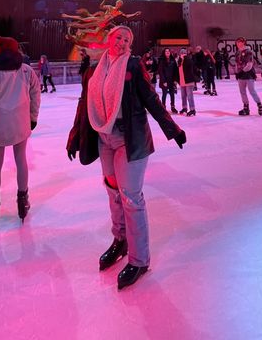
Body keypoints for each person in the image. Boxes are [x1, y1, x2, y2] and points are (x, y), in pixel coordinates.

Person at [66, 25, 186, 290]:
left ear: (130, 44)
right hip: (104, 138)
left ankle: (140, 259)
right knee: (112, 190)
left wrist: (172, 129)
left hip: (129, 139)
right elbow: (84, 103)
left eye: (126, 39)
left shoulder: (132, 66)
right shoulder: (95, 69)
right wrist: (75, 136)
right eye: (118, 37)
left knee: (131, 196)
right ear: (110, 39)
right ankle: (120, 240)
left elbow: (151, 99)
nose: (121, 41)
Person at [0, 37, 41, 228]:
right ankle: (23, 201)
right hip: (20, 120)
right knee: (21, 160)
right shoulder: (26, 70)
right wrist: (33, 116)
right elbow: (36, 92)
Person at [234, 37, 262, 116]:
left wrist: (242, 72)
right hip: (241, 75)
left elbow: (249, 64)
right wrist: (237, 72)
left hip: (249, 74)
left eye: (240, 42)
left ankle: (259, 105)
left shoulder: (248, 52)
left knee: (252, 91)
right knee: (242, 91)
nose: (238, 44)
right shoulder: (237, 53)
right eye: (237, 42)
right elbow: (237, 64)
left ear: (244, 42)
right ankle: (246, 108)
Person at [157, 48, 179, 114]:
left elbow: (176, 71)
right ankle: (163, 107)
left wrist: (175, 79)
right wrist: (164, 81)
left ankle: (173, 107)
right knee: (164, 94)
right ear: (164, 53)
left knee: (172, 94)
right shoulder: (162, 61)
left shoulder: (173, 60)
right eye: (166, 51)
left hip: (171, 80)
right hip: (165, 81)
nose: (167, 52)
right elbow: (161, 72)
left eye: (168, 51)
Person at [177, 48, 196, 116]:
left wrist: (185, 58)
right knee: (183, 96)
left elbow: (190, 64)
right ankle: (184, 108)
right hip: (182, 81)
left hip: (188, 81)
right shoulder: (179, 60)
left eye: (184, 53)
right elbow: (178, 69)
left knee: (189, 96)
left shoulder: (188, 59)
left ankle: (192, 109)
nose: (182, 54)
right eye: (181, 53)